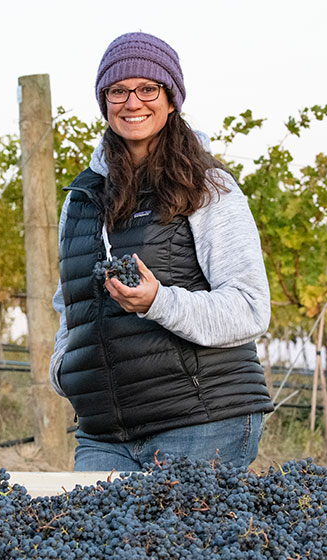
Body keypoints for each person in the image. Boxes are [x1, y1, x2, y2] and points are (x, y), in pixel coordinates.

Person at [49, 31, 274, 472]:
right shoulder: (81, 198)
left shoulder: (208, 187)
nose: (133, 102)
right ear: (104, 102)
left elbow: (250, 309)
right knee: (93, 541)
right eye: (118, 90)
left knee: (170, 543)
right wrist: (66, 369)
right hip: (104, 434)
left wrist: (158, 302)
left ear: (171, 99)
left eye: (148, 89)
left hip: (201, 420)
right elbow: (69, 304)